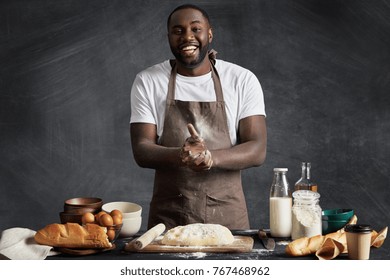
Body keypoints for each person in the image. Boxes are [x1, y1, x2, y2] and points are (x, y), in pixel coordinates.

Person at [130, 4, 267, 230]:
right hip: (170, 221)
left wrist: (210, 158)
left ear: (209, 33)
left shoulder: (241, 80)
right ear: (168, 37)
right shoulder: (148, 81)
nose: (187, 37)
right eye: (178, 31)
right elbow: (142, 150)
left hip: (228, 219)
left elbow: (257, 149)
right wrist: (181, 156)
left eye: (196, 29)